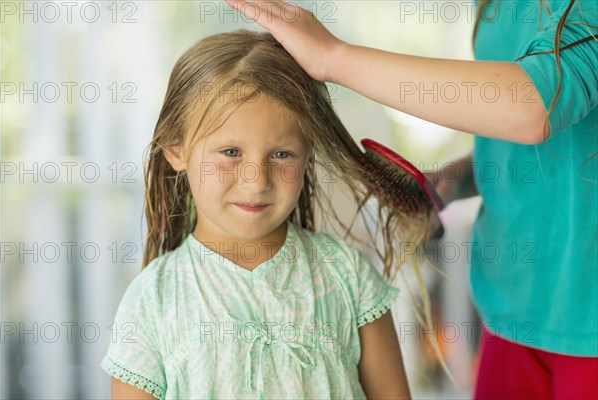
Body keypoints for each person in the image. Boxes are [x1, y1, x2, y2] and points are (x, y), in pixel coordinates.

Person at [223, 0, 598, 398]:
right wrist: (456, 178)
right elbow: (538, 133)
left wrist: (333, 57)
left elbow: (535, 102)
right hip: (511, 309)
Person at [100, 30, 422, 399]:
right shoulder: (153, 299)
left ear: (308, 151)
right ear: (176, 149)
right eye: (231, 152)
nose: (256, 183)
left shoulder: (346, 275)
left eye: (282, 154)